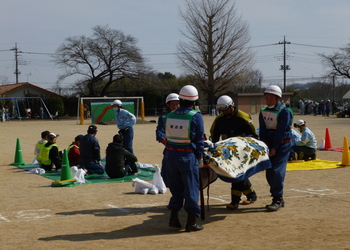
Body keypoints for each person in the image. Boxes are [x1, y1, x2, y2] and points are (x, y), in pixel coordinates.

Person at [161, 85, 204, 232]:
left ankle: (174, 217)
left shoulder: (168, 116)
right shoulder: (195, 116)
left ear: (180, 99)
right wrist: (199, 157)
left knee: (176, 188)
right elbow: (199, 140)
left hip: (170, 155)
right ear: (195, 101)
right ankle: (191, 223)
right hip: (186, 156)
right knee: (191, 188)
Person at [209, 95, 259, 210]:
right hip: (228, 151)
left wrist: (239, 142)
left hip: (243, 150)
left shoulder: (243, 117)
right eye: (221, 110)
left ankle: (235, 201)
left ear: (232, 106)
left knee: (236, 174)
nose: (224, 112)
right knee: (236, 174)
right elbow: (214, 136)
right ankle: (251, 194)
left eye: (225, 109)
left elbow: (254, 135)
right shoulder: (219, 119)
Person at [259, 85, 293, 212]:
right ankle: (278, 197)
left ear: (278, 98)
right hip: (269, 142)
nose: (268, 101)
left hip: (282, 143)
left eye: (271, 98)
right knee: (269, 171)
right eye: (267, 98)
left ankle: (277, 199)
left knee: (276, 170)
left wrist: (274, 147)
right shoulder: (263, 110)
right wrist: (263, 144)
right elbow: (262, 129)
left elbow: (280, 131)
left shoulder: (284, 111)